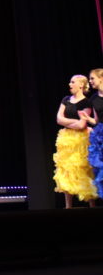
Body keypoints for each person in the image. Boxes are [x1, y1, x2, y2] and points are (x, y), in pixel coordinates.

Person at [53, 74, 96, 208]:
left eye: (73, 82)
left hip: (81, 139)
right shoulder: (66, 99)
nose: (70, 84)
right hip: (66, 139)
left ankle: (92, 205)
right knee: (67, 170)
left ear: (81, 85)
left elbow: (82, 125)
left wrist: (68, 122)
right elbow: (59, 119)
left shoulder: (86, 102)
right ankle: (68, 206)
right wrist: (74, 122)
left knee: (84, 169)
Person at [80, 69, 103, 198]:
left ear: (101, 78)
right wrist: (88, 119)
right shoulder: (94, 98)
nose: (90, 81)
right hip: (101, 135)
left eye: (92, 78)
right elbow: (97, 120)